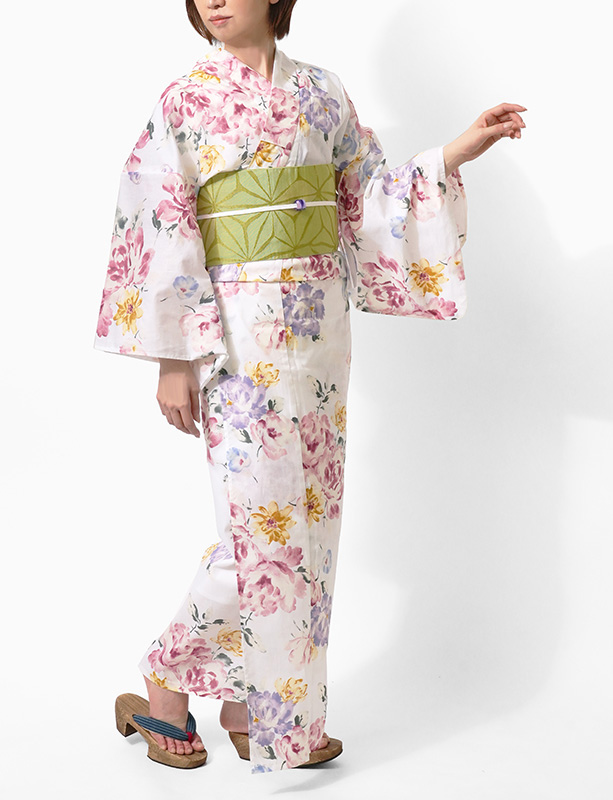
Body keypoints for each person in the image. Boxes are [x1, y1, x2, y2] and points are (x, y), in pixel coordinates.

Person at [95, 0, 526, 774]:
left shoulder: (321, 92)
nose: (212, 0)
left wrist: (453, 152)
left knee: (310, 526)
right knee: (260, 526)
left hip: (318, 331)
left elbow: (369, 201)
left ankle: (262, 709)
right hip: (232, 333)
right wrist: (171, 357)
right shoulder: (186, 99)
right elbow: (157, 219)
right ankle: (165, 680)